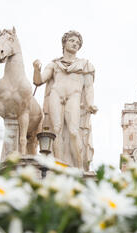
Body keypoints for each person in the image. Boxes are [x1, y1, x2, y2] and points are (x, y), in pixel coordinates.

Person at [33, 30, 97, 170]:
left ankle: (80, 168)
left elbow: (89, 87)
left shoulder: (85, 64)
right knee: (56, 131)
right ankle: (59, 167)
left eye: (78, 43)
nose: (75, 44)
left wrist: (90, 103)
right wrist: (36, 69)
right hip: (56, 94)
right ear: (64, 43)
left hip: (74, 96)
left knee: (74, 131)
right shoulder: (54, 64)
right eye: (72, 41)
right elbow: (39, 81)